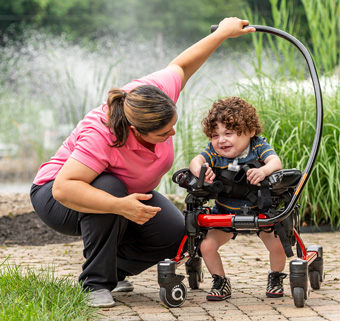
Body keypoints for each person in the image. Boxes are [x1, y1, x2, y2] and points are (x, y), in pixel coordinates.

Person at [29, 19, 255, 308]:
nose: (172, 134)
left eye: (173, 125)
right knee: (109, 189)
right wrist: (121, 206)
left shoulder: (151, 96)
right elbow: (64, 188)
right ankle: (95, 283)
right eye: (164, 133)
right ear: (136, 132)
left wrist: (223, 34)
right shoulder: (102, 134)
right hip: (56, 196)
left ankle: (114, 270)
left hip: (123, 195)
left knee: (175, 236)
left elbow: (182, 66)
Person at [189, 96, 286, 301]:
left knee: (277, 244)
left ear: (250, 132)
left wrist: (264, 171)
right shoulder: (214, 154)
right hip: (224, 211)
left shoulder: (258, 146)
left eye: (228, 133)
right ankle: (220, 281)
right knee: (206, 245)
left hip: (259, 210)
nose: (221, 140)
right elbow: (195, 160)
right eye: (215, 135)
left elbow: (275, 162)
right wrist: (201, 171)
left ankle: (276, 276)